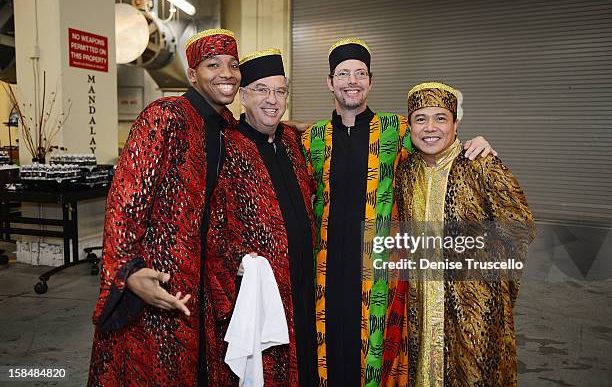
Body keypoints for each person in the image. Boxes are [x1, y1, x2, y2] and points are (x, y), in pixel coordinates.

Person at [301, 38, 496, 386]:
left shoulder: (396, 130)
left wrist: (474, 144)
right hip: (324, 268)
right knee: (326, 350)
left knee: (377, 354)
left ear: (371, 82)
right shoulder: (312, 138)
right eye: (343, 74)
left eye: (360, 73)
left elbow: (438, 145)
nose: (351, 81)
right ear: (330, 82)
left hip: (380, 272)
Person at [88, 28, 241, 386]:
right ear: (192, 74)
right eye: (213, 64)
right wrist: (129, 270)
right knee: (151, 371)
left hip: (203, 284)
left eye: (233, 65)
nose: (226, 73)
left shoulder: (225, 128)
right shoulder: (166, 116)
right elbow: (126, 200)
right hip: (159, 280)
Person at [394, 81, 535, 386]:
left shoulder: (481, 164)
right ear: (409, 126)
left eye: (441, 118)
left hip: (474, 312)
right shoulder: (405, 173)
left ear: (456, 123)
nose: (431, 127)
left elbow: (520, 225)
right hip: (419, 307)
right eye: (421, 118)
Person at [203, 48, 318, 386]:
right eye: (261, 90)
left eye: (280, 91)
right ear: (243, 96)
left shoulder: (294, 142)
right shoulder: (226, 146)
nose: (272, 99)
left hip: (304, 282)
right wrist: (235, 259)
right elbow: (209, 218)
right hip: (258, 290)